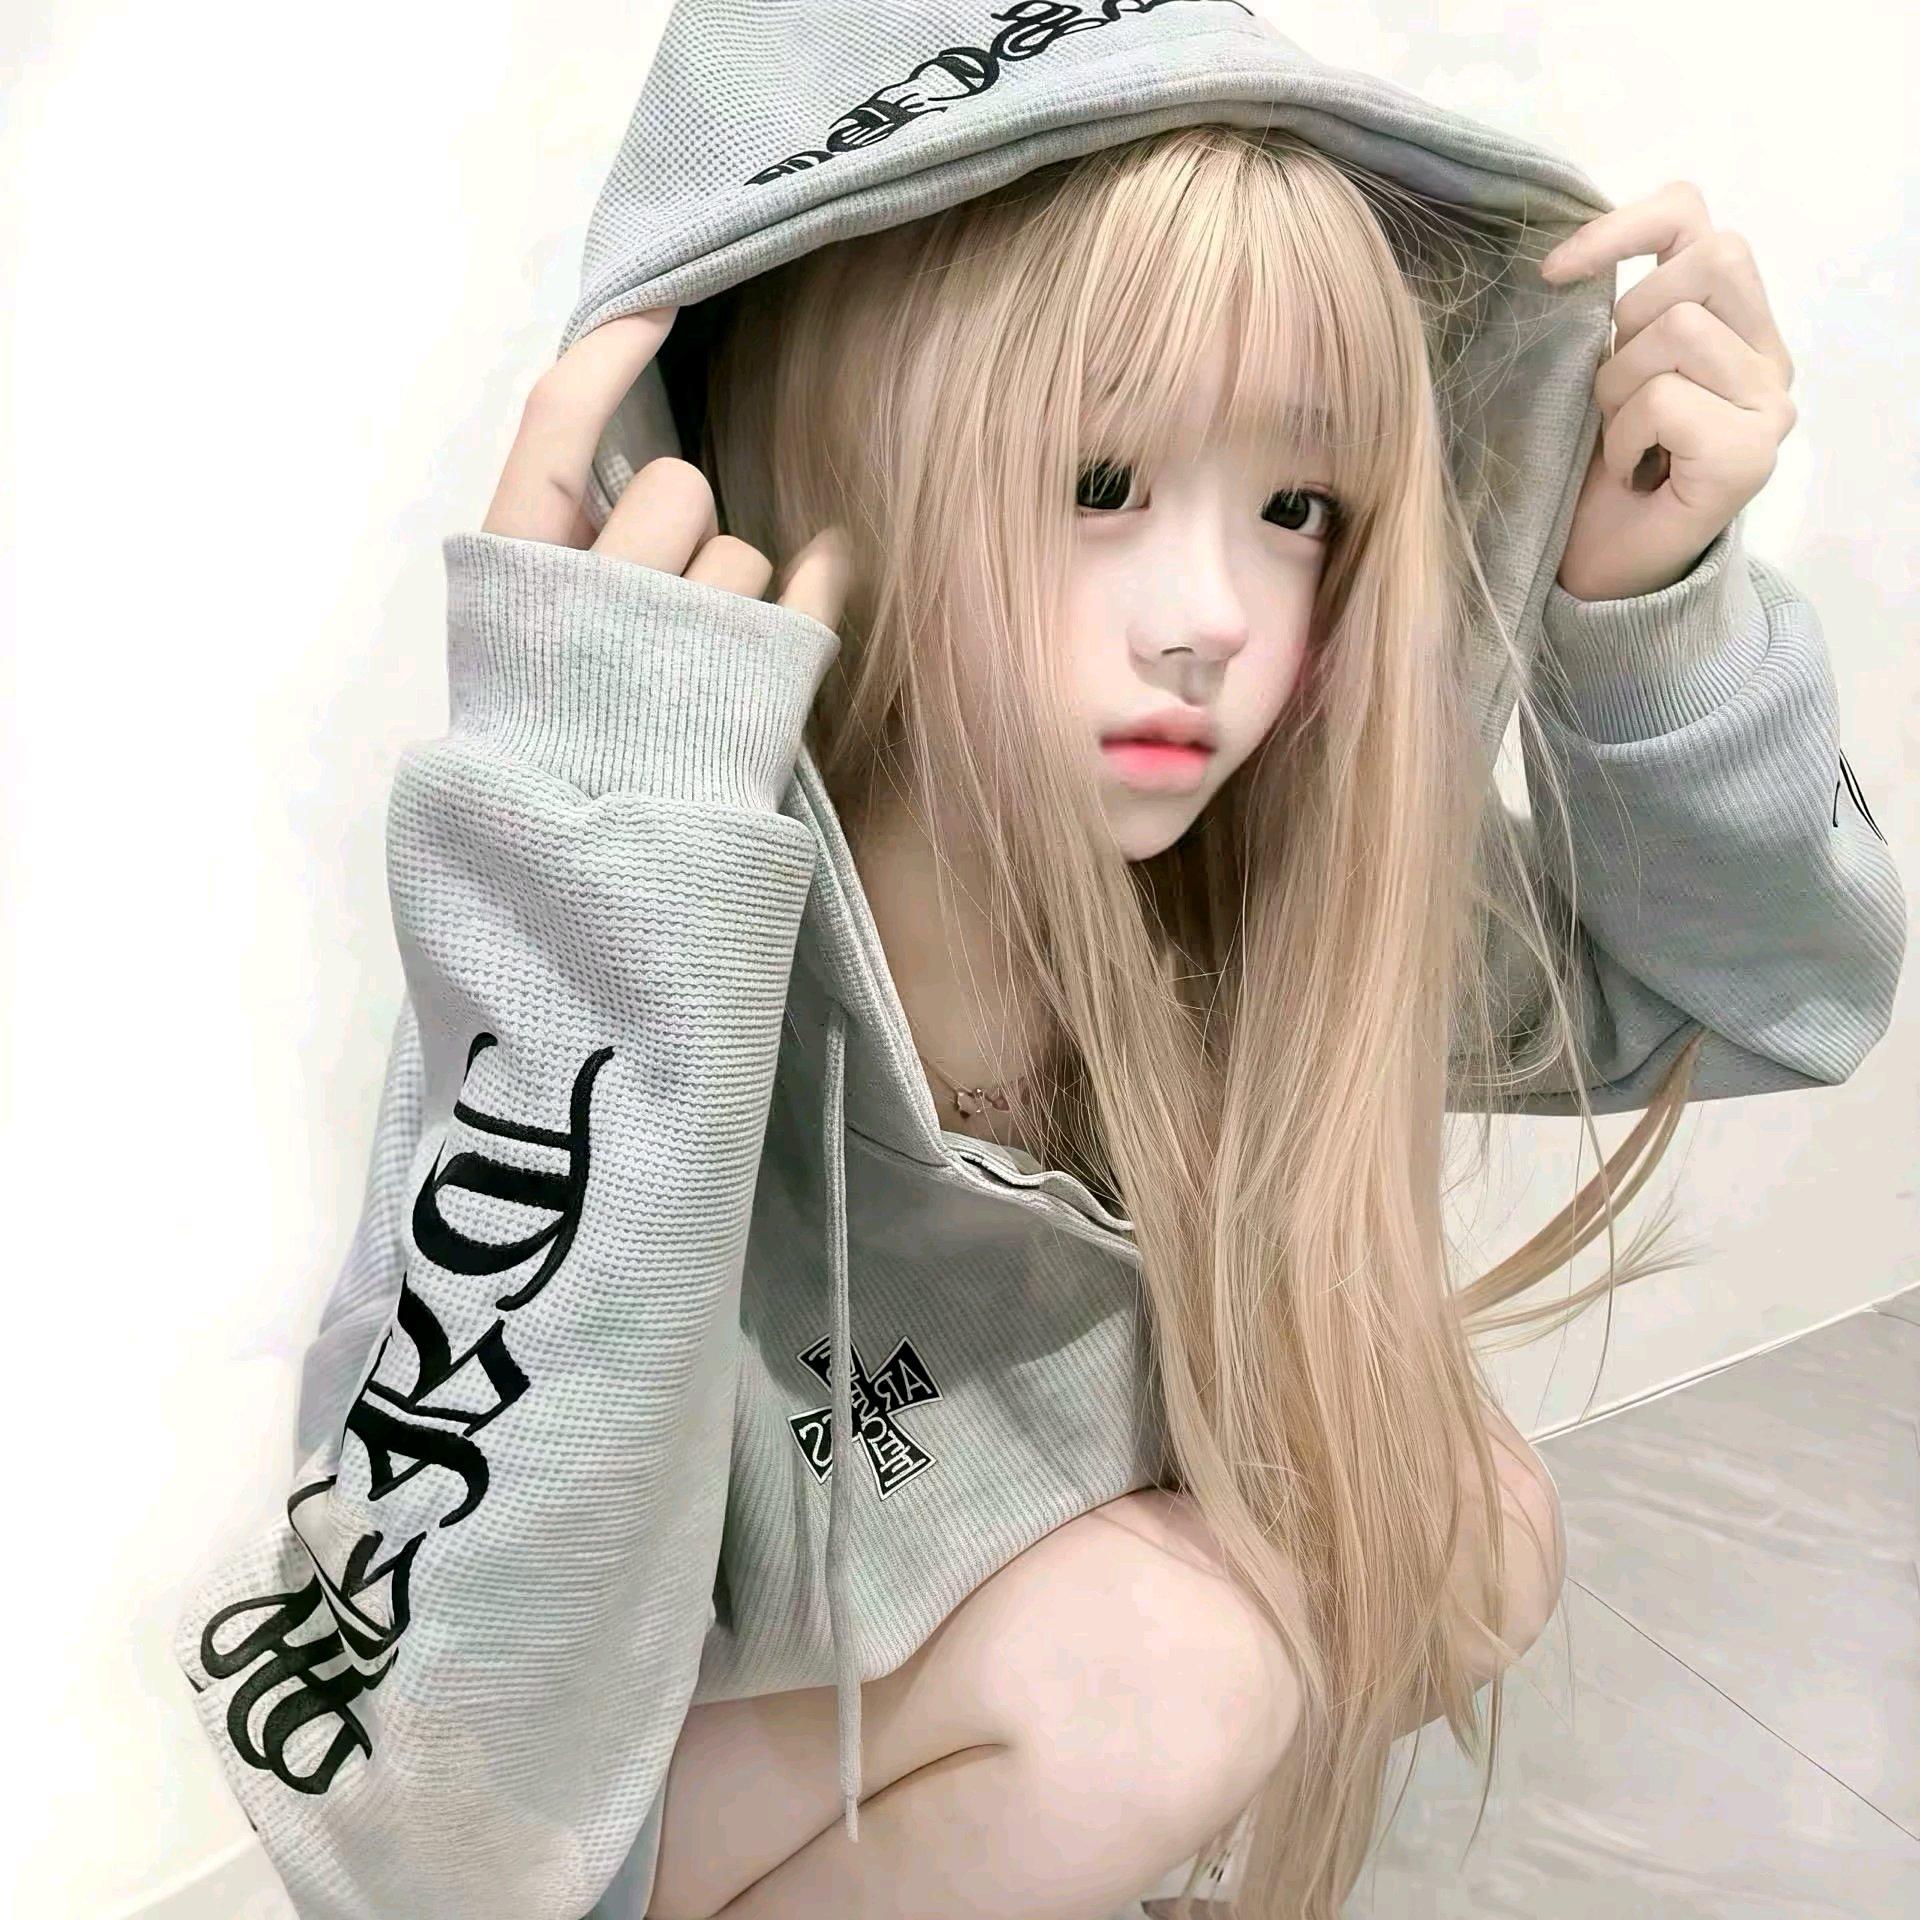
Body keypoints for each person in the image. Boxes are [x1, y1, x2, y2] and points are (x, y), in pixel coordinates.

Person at [171, 5, 1907, 1918]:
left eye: (1296, 508)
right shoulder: (662, 952)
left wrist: (1649, 617)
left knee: (1462, 1530)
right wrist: (587, 870)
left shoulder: (1229, 894)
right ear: (825, 446)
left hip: (950, 1653)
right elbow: (419, 1817)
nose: (1208, 620)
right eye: (1097, 484)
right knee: (1164, 1681)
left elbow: (1759, 1001)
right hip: (589, 1790)